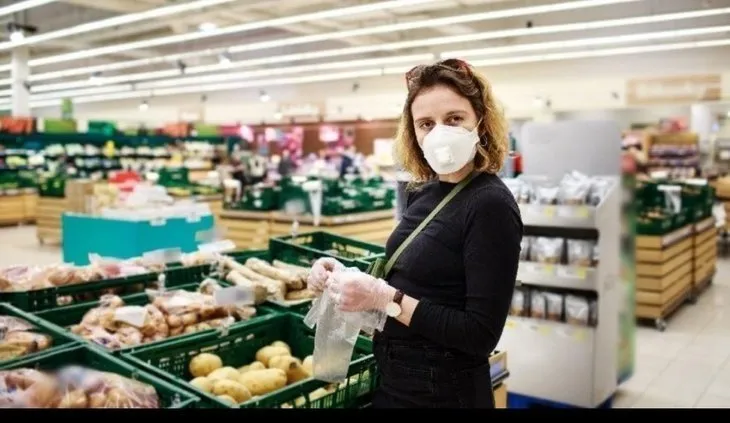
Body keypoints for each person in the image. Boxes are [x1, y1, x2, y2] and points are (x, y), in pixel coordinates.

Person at [307, 58, 522, 408]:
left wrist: (385, 299)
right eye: (426, 123)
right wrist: (343, 277)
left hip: (445, 392)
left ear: (480, 122)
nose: (439, 133)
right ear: (414, 133)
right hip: (398, 379)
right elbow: (414, 278)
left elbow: (480, 335)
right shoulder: (423, 192)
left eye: (454, 119)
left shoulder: (490, 204)